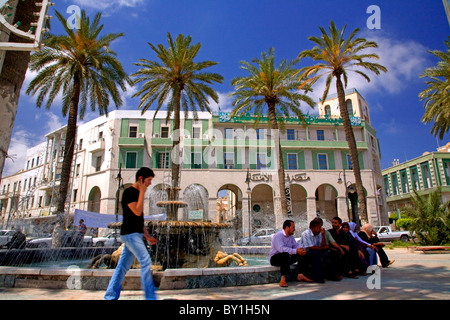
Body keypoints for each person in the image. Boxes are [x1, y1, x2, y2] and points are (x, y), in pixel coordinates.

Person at [105, 167, 159, 300]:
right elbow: (137, 212)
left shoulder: (136, 193)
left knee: (122, 266)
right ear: (141, 180)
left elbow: (139, 219)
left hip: (135, 234)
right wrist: (142, 193)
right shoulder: (129, 193)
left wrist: (146, 236)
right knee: (146, 261)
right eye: (148, 180)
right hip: (130, 234)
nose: (150, 184)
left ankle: (110, 296)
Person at [269, 220, 309, 287]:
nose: (294, 229)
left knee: (302, 253)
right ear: (287, 227)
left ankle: (300, 274)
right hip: (275, 258)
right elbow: (281, 249)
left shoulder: (291, 237)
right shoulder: (278, 236)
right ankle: (282, 279)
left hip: (287, 257)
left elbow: (295, 245)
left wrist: (301, 249)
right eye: (293, 227)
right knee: (285, 255)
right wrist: (296, 251)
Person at [298, 218, 330, 283]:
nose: (319, 230)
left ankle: (331, 274)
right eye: (317, 228)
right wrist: (323, 248)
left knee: (328, 253)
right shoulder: (306, 233)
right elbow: (311, 247)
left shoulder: (319, 234)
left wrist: (323, 234)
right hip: (304, 254)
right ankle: (317, 277)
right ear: (312, 228)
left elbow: (322, 245)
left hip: (315, 251)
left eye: (319, 227)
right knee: (316, 253)